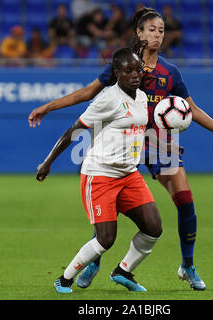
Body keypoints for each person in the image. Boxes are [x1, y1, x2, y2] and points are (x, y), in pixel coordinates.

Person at [28, 7, 213, 291]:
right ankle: (94, 260)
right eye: (152, 29)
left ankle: (188, 266)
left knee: (185, 200)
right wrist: (48, 106)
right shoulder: (124, 66)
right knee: (109, 203)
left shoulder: (170, 72)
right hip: (121, 143)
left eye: (161, 30)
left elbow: (190, 109)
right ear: (139, 32)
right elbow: (87, 94)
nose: (158, 35)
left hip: (158, 143)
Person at [36, 47, 162, 293]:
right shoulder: (107, 99)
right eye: (128, 71)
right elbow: (74, 130)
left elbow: (138, 134)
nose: (135, 75)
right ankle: (64, 279)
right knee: (106, 238)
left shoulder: (142, 98)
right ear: (116, 73)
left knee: (153, 227)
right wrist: (48, 162)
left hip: (129, 175)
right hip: (101, 175)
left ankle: (123, 271)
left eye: (138, 70)